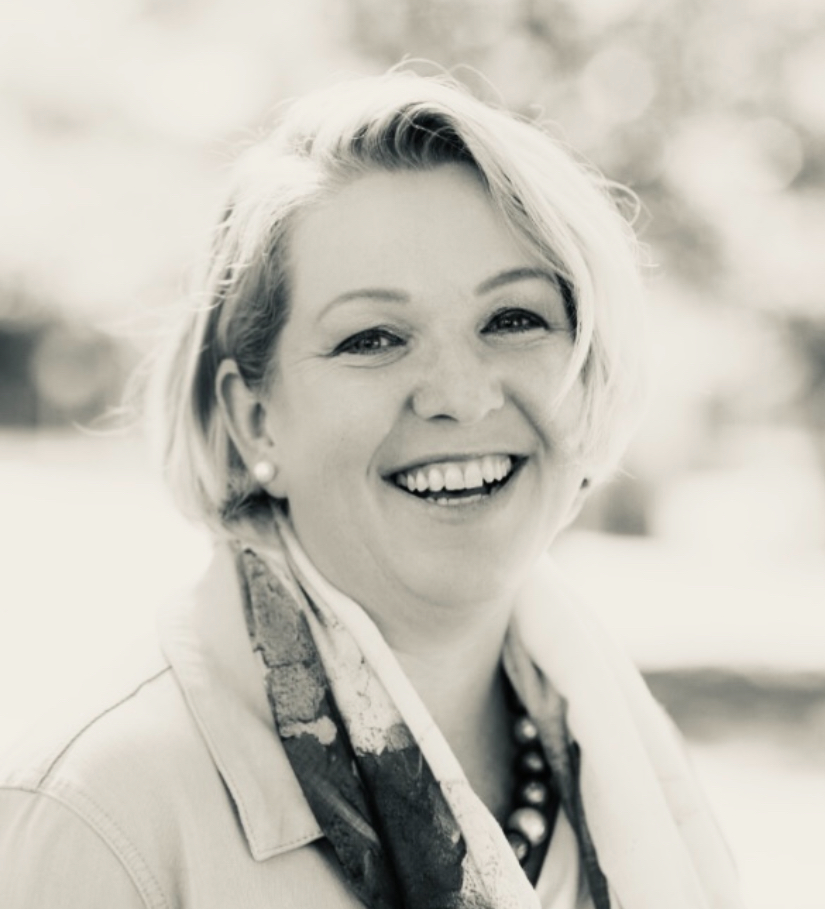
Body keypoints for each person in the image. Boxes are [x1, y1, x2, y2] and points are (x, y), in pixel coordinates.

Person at [0, 69, 743, 909]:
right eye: (374, 337)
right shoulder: (98, 818)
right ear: (254, 420)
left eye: (513, 319)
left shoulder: (625, 758)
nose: (461, 395)